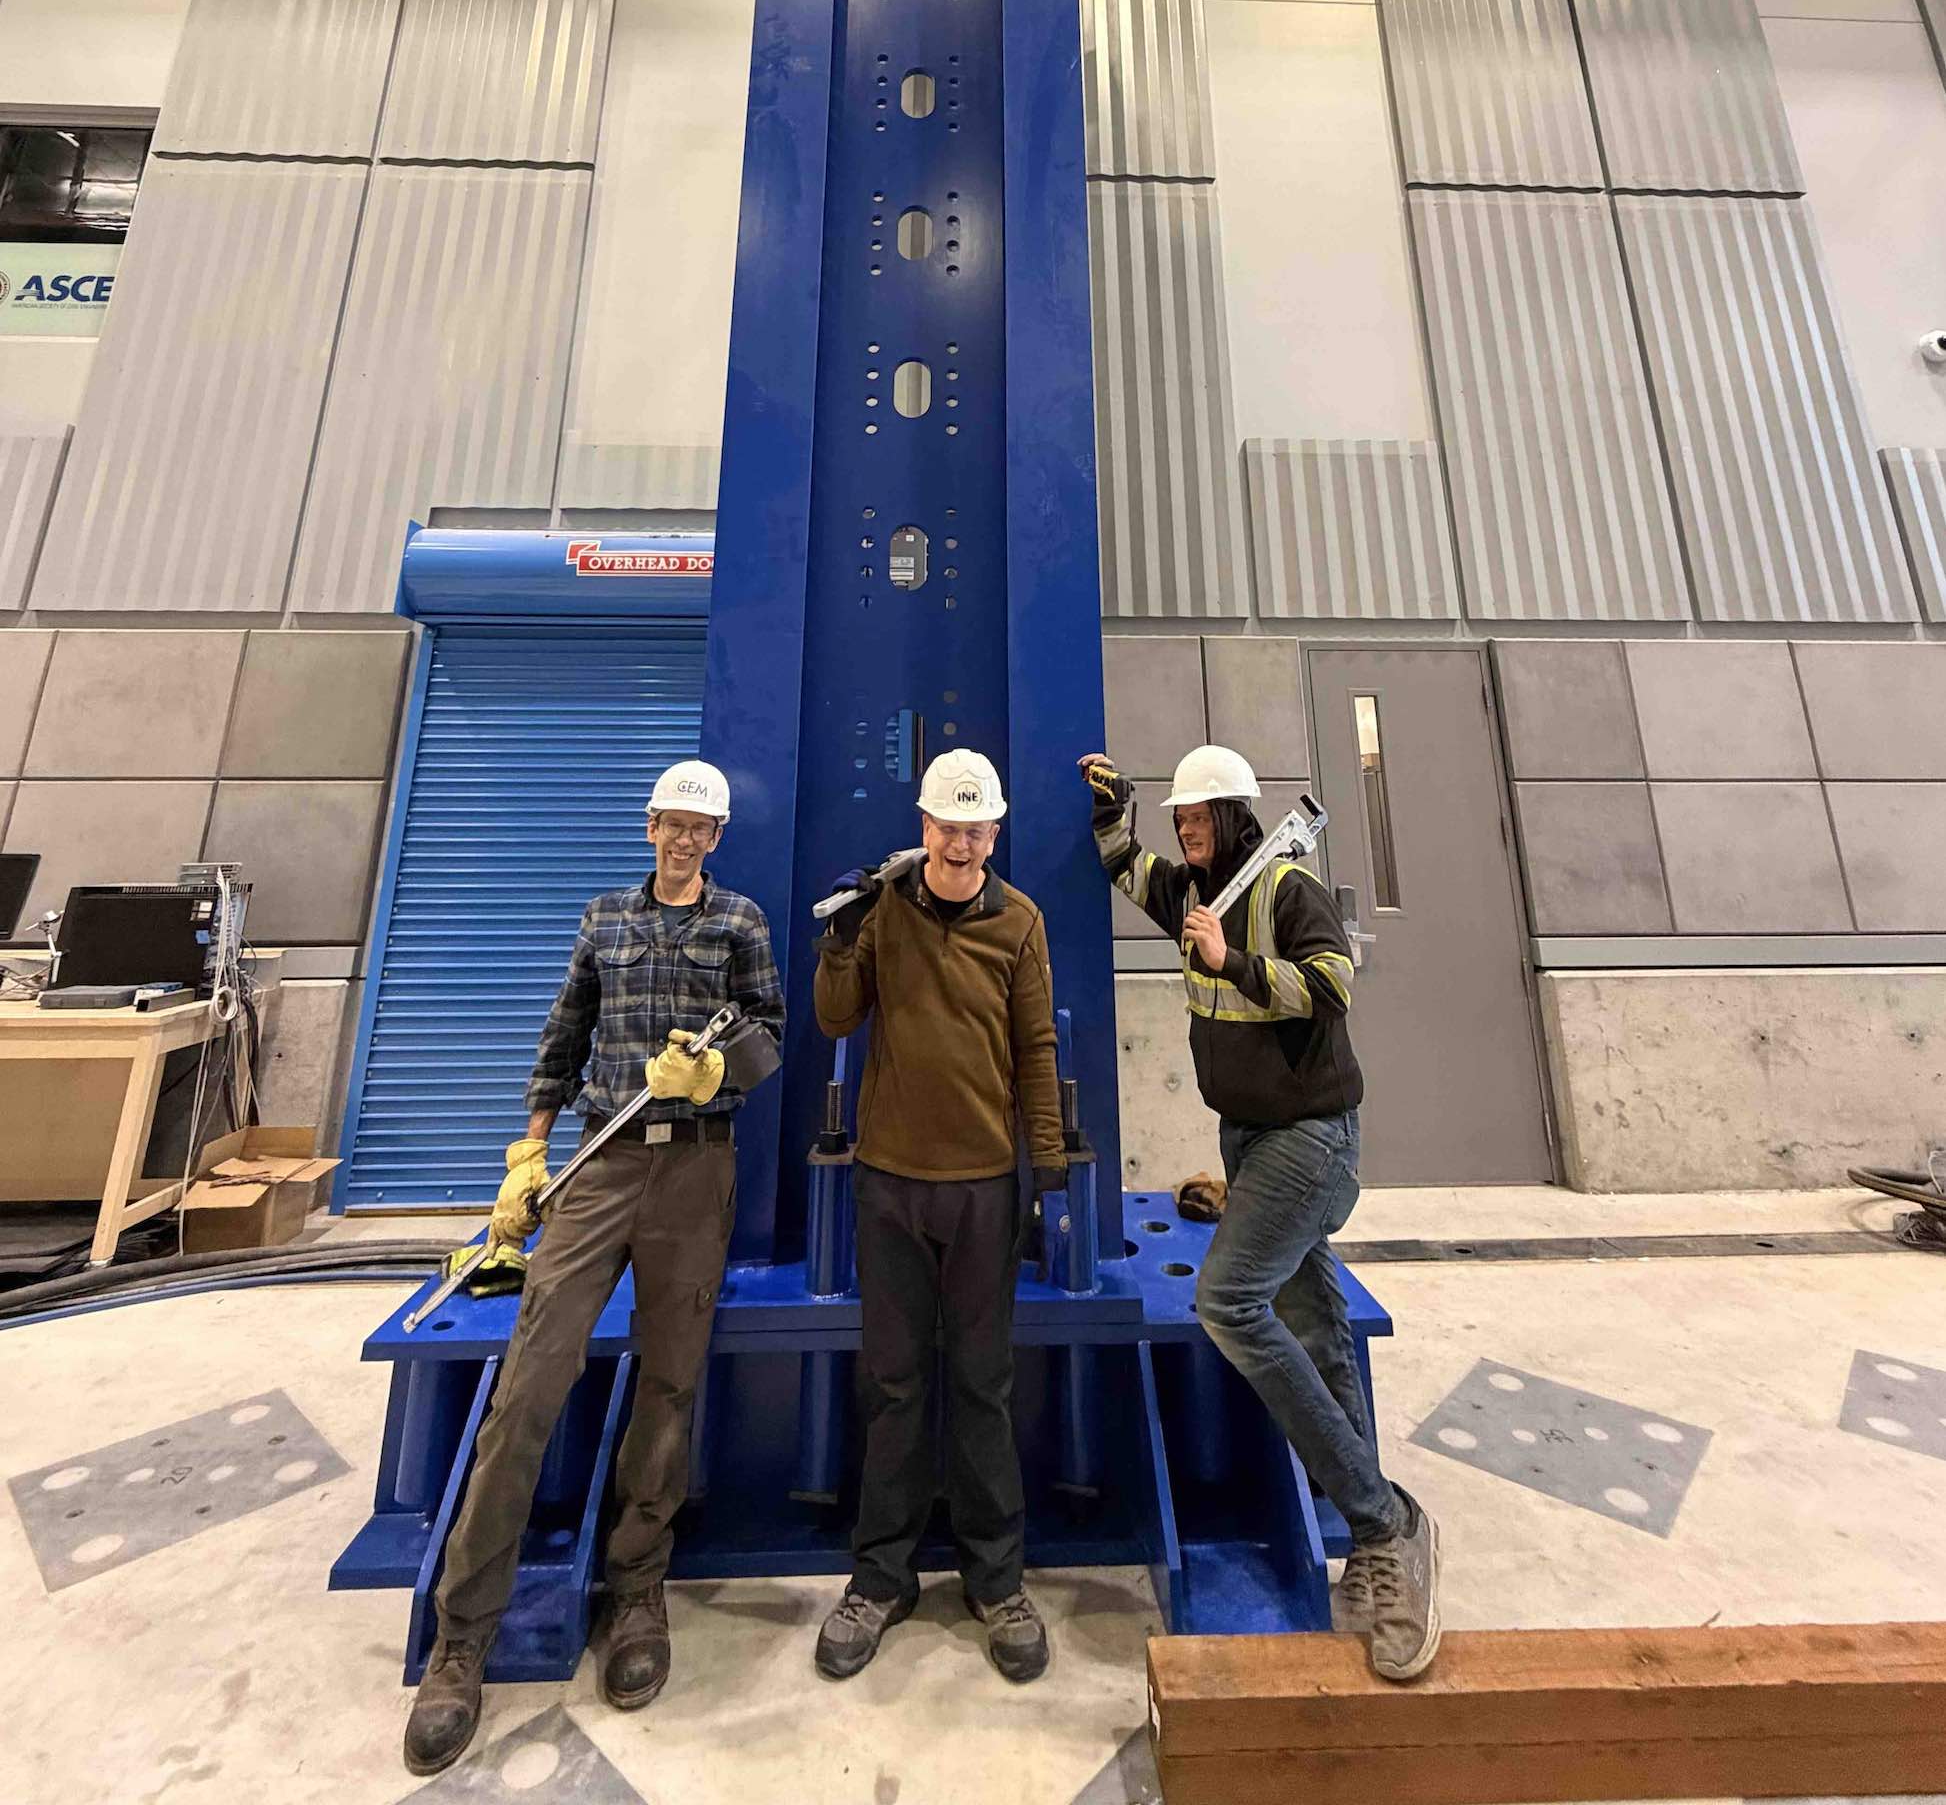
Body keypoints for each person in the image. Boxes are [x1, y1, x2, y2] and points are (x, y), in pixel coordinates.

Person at [403, 759, 785, 1777]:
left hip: (695, 1169)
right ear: (649, 823)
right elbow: (562, 1036)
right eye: (674, 821)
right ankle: (462, 1635)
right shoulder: (604, 917)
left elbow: (770, 1039)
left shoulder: (738, 920)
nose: (686, 838)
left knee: (668, 1385)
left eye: (703, 826)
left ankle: (635, 1595)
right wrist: (527, 1157)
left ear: (717, 836)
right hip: (596, 1164)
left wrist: (716, 1067)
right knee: (529, 1384)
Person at [1079, 743, 1441, 1680]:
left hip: (1310, 1139)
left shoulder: (1284, 889)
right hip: (1249, 1139)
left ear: (1238, 816)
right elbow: (1124, 866)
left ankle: (1384, 1522)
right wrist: (1117, 805)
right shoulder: (1195, 888)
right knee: (1315, 1324)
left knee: (1229, 1303)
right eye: (1181, 823)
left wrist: (1230, 958)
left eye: (1199, 821)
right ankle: (1375, 1535)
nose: (1187, 835)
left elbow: (1330, 987)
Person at [810, 748, 1067, 1686]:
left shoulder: (1021, 923)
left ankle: (996, 1581)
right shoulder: (883, 909)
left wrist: (1045, 1176)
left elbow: (1036, 1048)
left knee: (983, 1385)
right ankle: (880, 1579)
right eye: (947, 826)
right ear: (923, 828)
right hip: (889, 1185)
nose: (961, 842)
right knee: (894, 1383)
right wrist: (838, 937)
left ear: (994, 834)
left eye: (977, 827)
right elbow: (837, 1020)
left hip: (985, 1188)